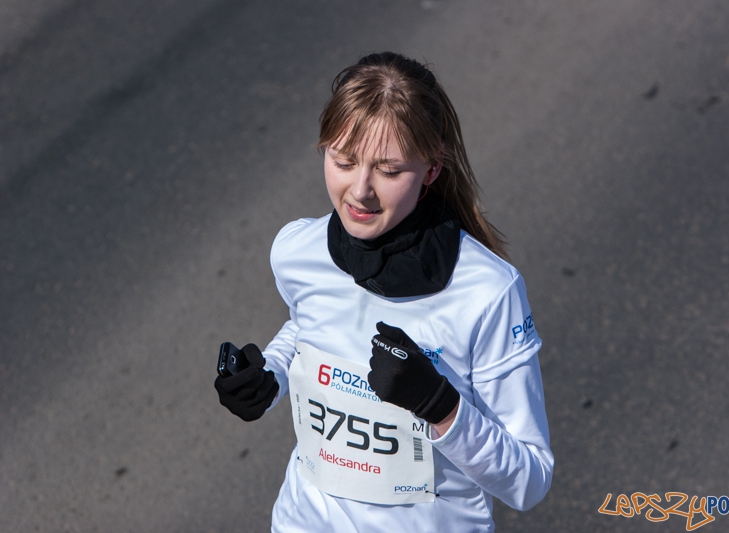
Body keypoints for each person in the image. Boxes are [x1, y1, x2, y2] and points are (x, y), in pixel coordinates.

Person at [214, 51, 553, 532]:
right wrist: (270, 378)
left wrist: (441, 407)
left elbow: (530, 480)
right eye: (344, 161)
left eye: (389, 171)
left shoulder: (487, 293)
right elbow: (308, 327)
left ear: (432, 170)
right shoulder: (297, 250)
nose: (360, 191)